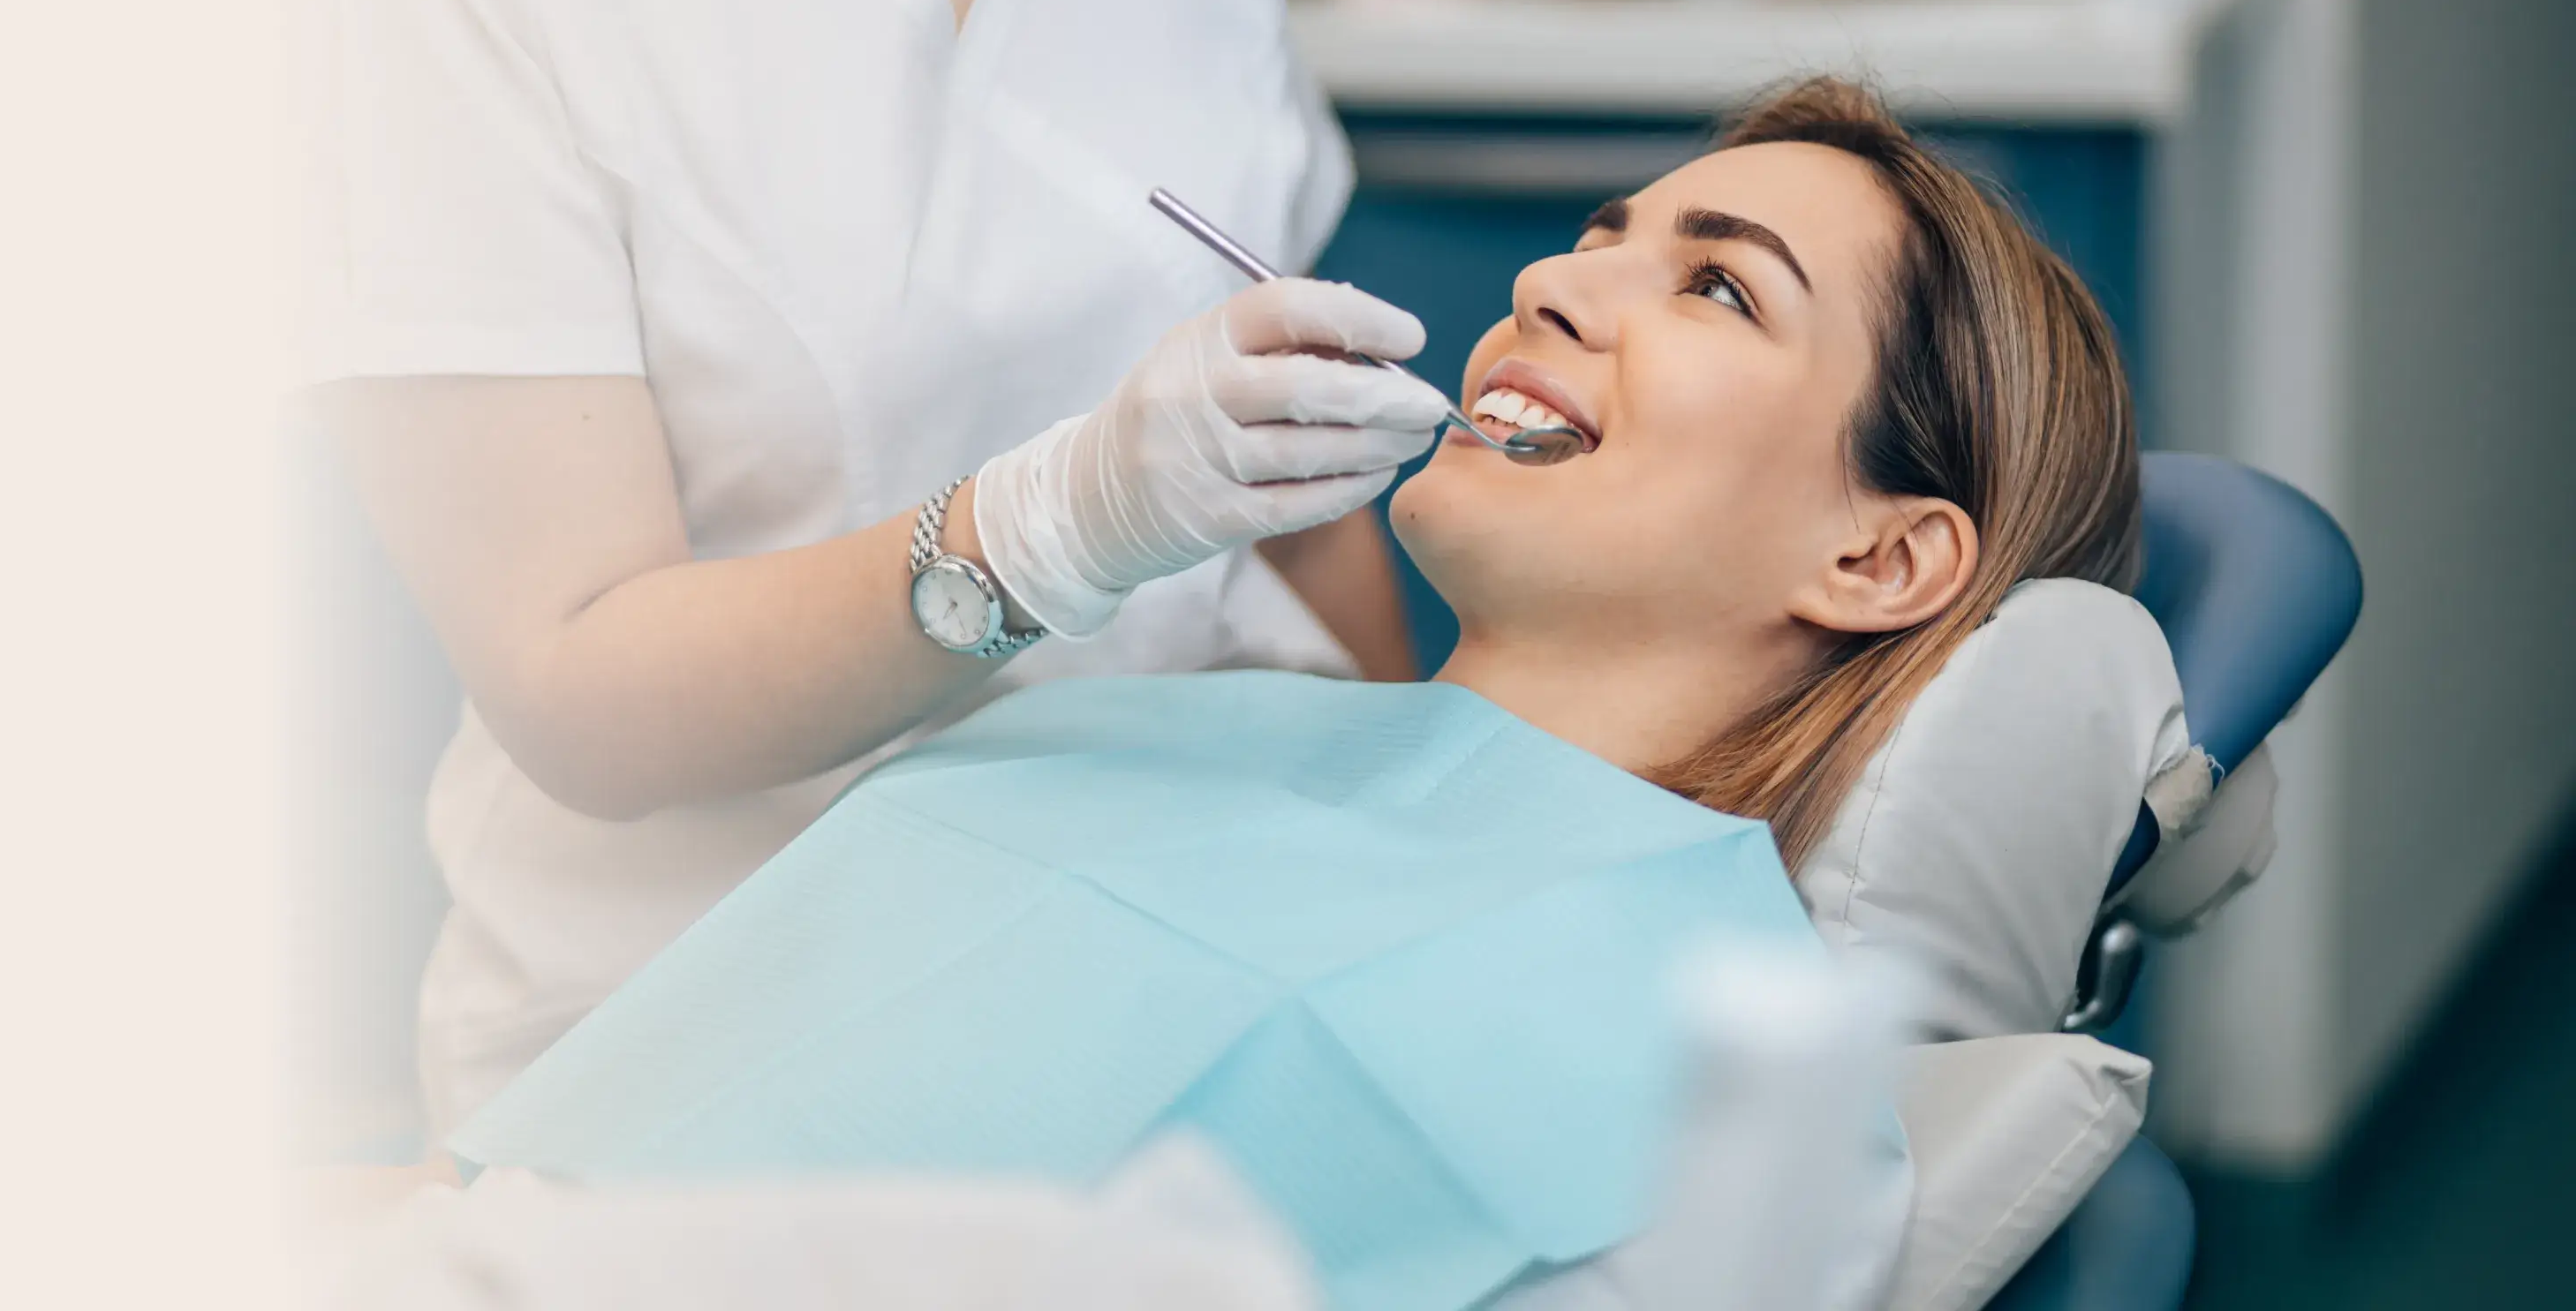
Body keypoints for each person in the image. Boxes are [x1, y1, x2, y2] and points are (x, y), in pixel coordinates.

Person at [443, 79, 2146, 1307]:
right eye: (1596, 238)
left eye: (1718, 286)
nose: (1551, 287)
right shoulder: (1113, 721)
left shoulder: (1730, 1105)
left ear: (1880, 559)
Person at [309, 0, 1447, 1132]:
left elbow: (1301, 490)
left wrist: (1416, 893)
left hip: (1185, 1007)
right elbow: (576, 685)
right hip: (710, 1077)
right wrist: (1046, 533)